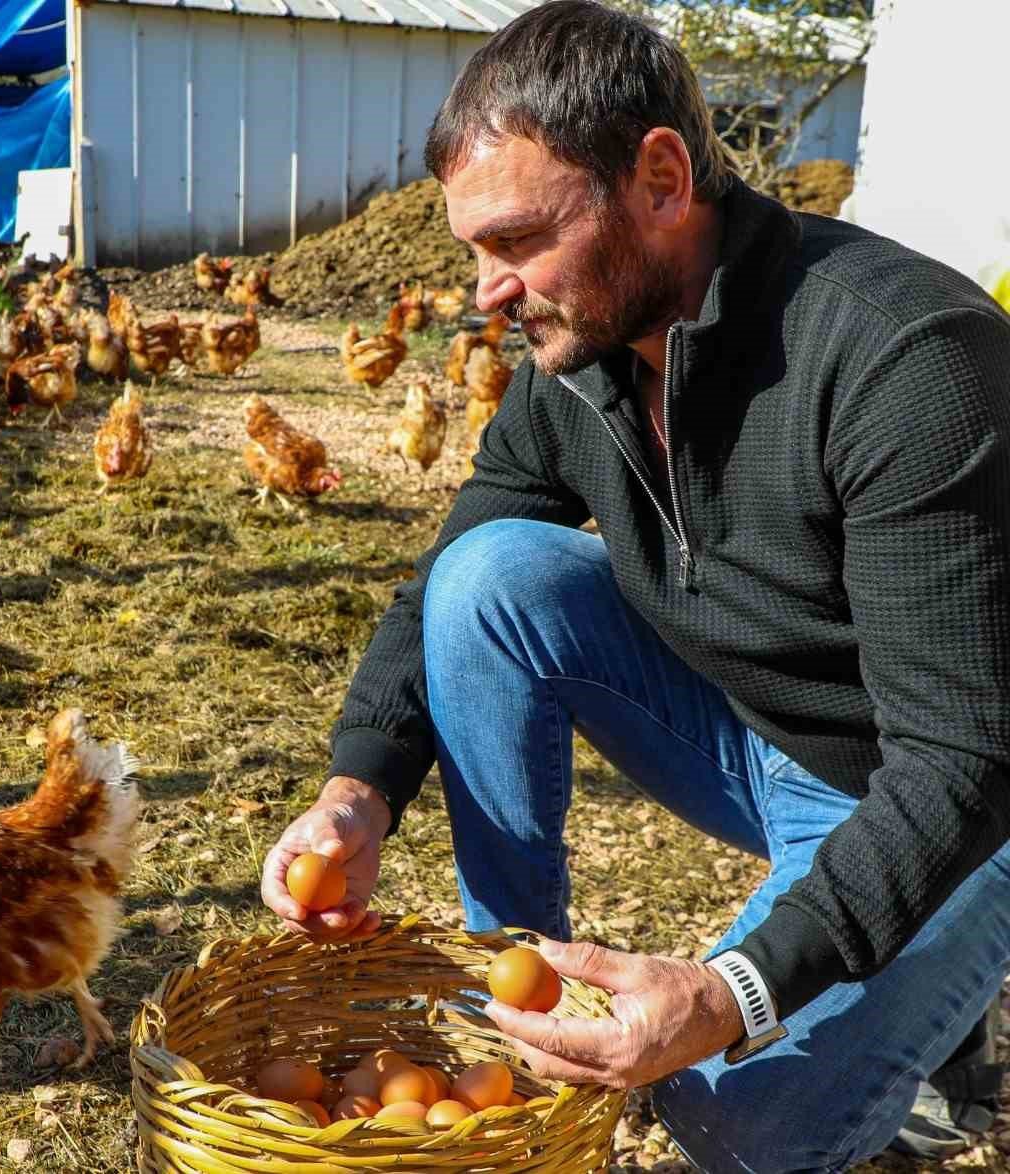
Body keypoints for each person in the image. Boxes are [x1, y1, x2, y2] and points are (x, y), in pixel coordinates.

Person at [258, 1, 1010, 1167]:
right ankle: (520, 997)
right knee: (488, 575)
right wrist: (357, 790)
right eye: (473, 252)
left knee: (723, 1112)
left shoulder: (904, 361)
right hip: (764, 736)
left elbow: (963, 755)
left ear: (660, 179)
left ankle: (932, 1003)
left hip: (956, 795)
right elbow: (449, 575)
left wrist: (734, 990)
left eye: (517, 240)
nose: (486, 293)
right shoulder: (580, 362)